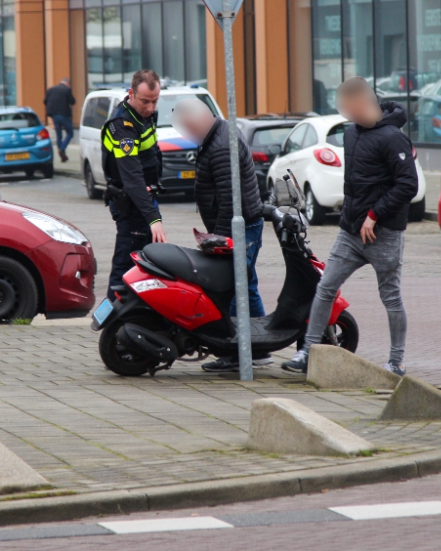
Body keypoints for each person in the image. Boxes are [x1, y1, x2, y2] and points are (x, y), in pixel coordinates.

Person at [282, 77, 418, 376]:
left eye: (346, 106)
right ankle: (308, 352)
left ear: (362, 102)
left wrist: (375, 215)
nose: (343, 112)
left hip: (383, 233)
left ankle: (396, 363)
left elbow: (408, 184)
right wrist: (352, 217)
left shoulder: (393, 137)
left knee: (391, 296)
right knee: (325, 286)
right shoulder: (351, 133)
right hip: (350, 231)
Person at [173, 99, 271, 372]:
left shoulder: (220, 145)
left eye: (188, 128)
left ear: (198, 121)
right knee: (246, 285)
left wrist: (222, 239)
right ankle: (259, 348)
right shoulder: (219, 134)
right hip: (245, 225)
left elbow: (230, 198)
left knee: (232, 287)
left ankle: (237, 352)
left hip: (239, 228)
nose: (187, 135)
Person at [102, 69, 167, 302]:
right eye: (145, 102)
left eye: (155, 101)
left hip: (143, 201)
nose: (150, 108)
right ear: (131, 93)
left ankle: (138, 320)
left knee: (144, 266)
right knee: (125, 268)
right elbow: (132, 177)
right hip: (131, 205)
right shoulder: (123, 126)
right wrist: (153, 218)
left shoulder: (143, 115)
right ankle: (108, 322)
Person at [44, 77, 76, 163]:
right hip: (64, 115)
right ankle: (62, 148)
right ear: (67, 83)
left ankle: (61, 154)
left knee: (59, 135)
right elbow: (72, 101)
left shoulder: (50, 90)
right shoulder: (67, 90)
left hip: (54, 116)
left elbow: (45, 101)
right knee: (70, 133)